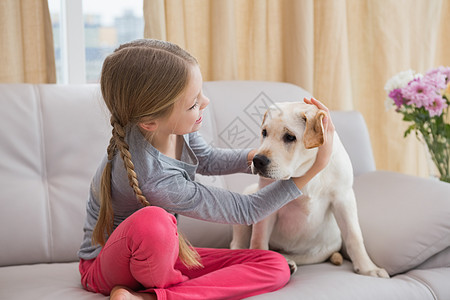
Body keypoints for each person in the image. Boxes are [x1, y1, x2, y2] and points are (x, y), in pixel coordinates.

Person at [77, 39, 335, 300]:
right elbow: (247, 210)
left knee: (275, 265)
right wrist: (315, 167)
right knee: (154, 223)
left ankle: (148, 296)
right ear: (149, 122)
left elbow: (208, 159)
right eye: (193, 104)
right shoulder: (155, 179)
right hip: (107, 268)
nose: (206, 102)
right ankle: (162, 293)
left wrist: (264, 158)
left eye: (201, 93)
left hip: (162, 258)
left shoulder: (170, 127)